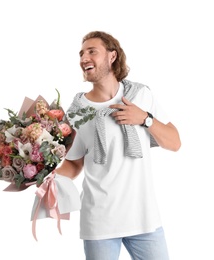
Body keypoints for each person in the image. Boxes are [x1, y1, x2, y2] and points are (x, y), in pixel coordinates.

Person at [55, 31, 181, 260]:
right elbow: (74, 164)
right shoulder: (76, 111)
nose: (84, 58)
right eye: (81, 53)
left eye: (92, 51)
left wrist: (145, 118)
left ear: (112, 56)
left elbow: (174, 142)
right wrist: (42, 174)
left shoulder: (140, 95)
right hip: (99, 221)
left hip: (144, 219)